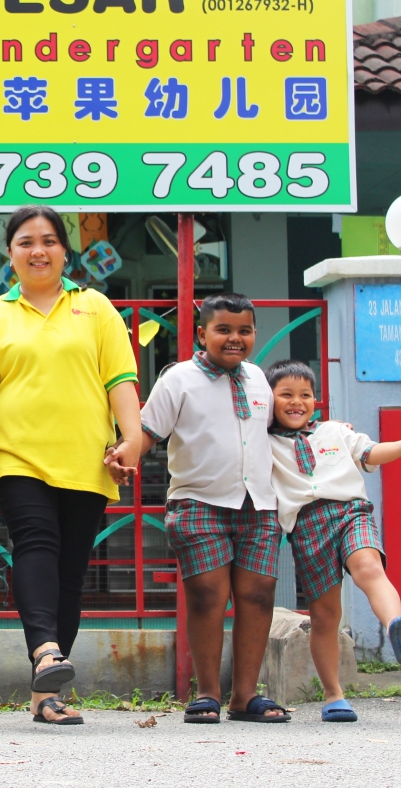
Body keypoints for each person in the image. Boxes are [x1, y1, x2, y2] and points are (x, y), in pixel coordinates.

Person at [0, 206, 143, 726]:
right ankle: (45, 650)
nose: (37, 251)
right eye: (25, 242)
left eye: (48, 241)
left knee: (70, 571)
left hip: (85, 458)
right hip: (14, 456)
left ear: (64, 250)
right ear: (10, 253)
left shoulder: (96, 307)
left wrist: (132, 439)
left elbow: (120, 380)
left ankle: (46, 695)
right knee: (36, 540)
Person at [136, 293, 289, 724]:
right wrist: (121, 459)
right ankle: (207, 694)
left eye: (245, 331)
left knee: (258, 593)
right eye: (224, 330)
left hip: (258, 504)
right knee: (207, 595)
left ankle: (245, 696)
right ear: (203, 334)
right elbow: (148, 431)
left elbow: (280, 431)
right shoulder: (178, 379)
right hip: (197, 501)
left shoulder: (258, 378)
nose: (235, 338)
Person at [265, 359, 401, 723]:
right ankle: (334, 696)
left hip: (351, 511)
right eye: (286, 394)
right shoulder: (264, 443)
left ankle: (396, 624)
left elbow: (369, 453)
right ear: (270, 400)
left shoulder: (334, 431)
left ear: (315, 400)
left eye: (305, 395)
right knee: (325, 615)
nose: (297, 402)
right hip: (307, 525)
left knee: (368, 566)